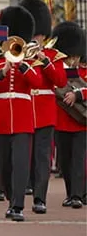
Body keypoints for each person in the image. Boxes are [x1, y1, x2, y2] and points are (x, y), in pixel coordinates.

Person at [0, 6, 41, 222]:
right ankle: (10, 196)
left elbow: (37, 82)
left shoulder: (30, 62)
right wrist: (4, 70)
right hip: (2, 119)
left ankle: (18, 205)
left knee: (21, 162)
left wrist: (23, 65)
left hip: (23, 118)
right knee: (4, 165)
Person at [19, 0, 68, 214]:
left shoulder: (52, 55)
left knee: (41, 157)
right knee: (23, 155)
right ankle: (23, 190)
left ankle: (40, 197)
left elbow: (60, 81)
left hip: (45, 111)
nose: (35, 37)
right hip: (25, 110)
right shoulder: (19, 54)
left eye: (37, 34)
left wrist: (45, 61)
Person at [51, 21, 86, 208]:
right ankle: (69, 192)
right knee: (64, 161)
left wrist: (78, 94)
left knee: (78, 159)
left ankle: (77, 195)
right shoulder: (56, 69)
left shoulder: (84, 71)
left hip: (80, 121)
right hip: (61, 120)